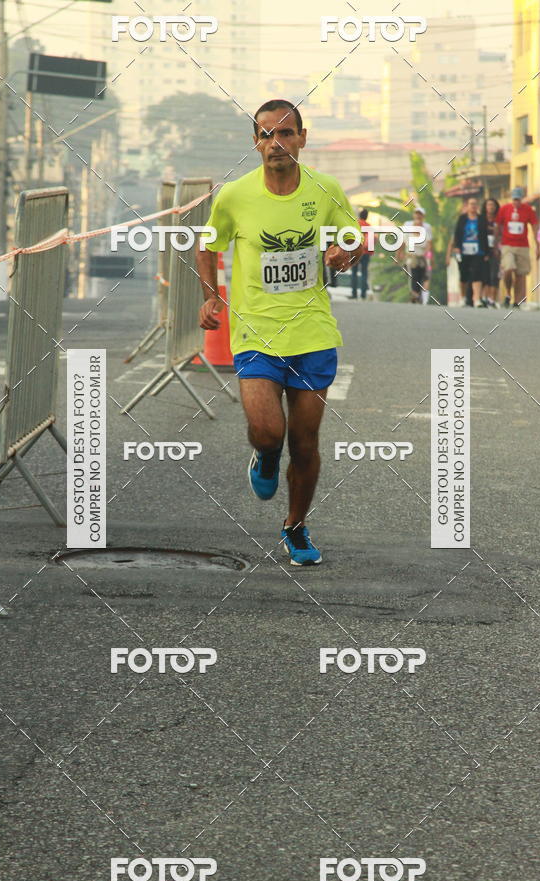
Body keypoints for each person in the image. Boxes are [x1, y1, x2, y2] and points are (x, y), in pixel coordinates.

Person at [196, 99, 362, 566]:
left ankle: (295, 526)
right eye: (267, 135)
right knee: (269, 432)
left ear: (302, 140)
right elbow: (207, 246)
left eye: (286, 134)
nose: (276, 143)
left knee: (305, 443)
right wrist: (211, 297)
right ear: (256, 143)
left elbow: (353, 239)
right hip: (256, 335)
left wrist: (342, 254)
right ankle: (265, 456)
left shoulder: (326, 190)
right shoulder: (234, 196)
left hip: (312, 334)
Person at [495, 186, 539, 309]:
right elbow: (498, 225)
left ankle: (517, 301)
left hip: (523, 245)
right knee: (508, 268)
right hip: (508, 245)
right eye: (514, 199)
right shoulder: (505, 209)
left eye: (518, 200)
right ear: (511, 199)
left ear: (522, 199)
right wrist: (495, 244)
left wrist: (537, 245)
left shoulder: (528, 210)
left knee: (520, 274)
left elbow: (534, 226)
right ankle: (508, 293)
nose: (516, 202)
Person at [447, 196, 489, 308]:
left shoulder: (482, 219)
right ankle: (464, 297)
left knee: (477, 274)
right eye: (471, 204)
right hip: (463, 250)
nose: (473, 206)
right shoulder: (462, 218)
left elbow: (485, 236)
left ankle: (477, 299)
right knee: (464, 275)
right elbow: (457, 233)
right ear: (467, 206)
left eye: (475, 204)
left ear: (477, 206)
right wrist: (456, 247)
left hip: (478, 251)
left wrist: (486, 252)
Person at [397, 207, 432, 303]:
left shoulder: (426, 229)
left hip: (422, 257)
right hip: (411, 257)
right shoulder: (408, 227)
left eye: (420, 214)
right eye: (416, 214)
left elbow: (429, 244)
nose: (418, 216)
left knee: (422, 276)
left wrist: (427, 256)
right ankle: (414, 294)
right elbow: (403, 242)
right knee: (413, 275)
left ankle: (417, 295)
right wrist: (398, 254)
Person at [349, 208, 373, 299]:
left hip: (355, 251)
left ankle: (354, 294)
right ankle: (363, 294)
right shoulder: (369, 226)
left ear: (359, 215)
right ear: (367, 217)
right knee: (364, 273)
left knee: (354, 272)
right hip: (366, 252)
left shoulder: (355, 224)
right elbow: (372, 240)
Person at [481, 198, 500, 307]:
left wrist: (498, 248)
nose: (491, 207)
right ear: (485, 207)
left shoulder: (499, 220)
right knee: (484, 275)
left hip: (496, 249)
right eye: (489, 205)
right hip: (484, 249)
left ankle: (492, 299)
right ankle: (484, 297)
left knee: (494, 275)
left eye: (493, 205)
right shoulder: (482, 219)